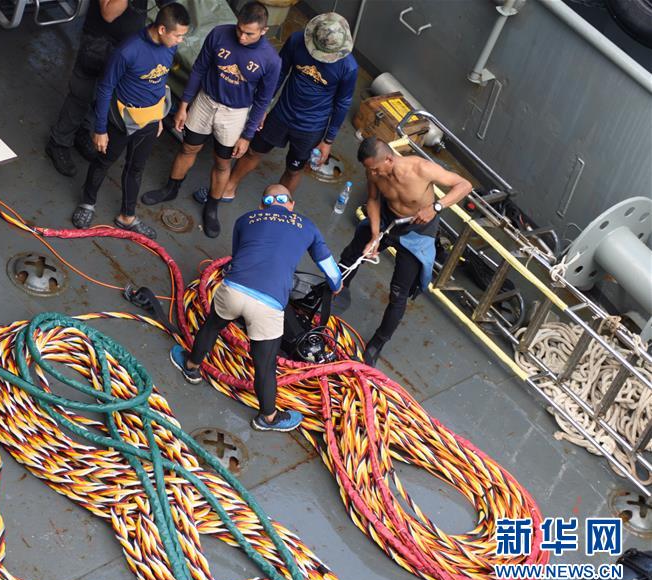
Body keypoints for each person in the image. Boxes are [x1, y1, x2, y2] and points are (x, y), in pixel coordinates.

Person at [169, 184, 343, 432]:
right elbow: (329, 269)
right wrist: (336, 285)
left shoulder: (245, 219)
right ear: (291, 205)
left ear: (262, 205)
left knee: (212, 326)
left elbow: (236, 257)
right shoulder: (307, 225)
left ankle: (192, 367)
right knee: (265, 362)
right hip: (268, 305)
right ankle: (268, 417)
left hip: (234, 290)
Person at [140, 1, 281, 238]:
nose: (242, 36)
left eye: (249, 33)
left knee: (222, 162)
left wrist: (247, 136)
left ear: (263, 31)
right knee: (188, 147)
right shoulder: (219, 34)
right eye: (239, 29)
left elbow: (263, 100)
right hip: (206, 100)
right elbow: (199, 69)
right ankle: (171, 188)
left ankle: (212, 206)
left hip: (235, 112)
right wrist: (184, 105)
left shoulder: (271, 60)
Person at [339, 137, 472, 366]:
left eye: (375, 168)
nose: (372, 173)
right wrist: (373, 235)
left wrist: (436, 207)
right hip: (388, 220)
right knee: (353, 254)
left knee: (399, 293)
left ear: (389, 159)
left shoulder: (421, 168)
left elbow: (464, 185)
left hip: (417, 232)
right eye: (369, 169)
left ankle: (378, 342)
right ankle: (338, 290)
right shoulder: (374, 172)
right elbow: (372, 200)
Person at [202, 12, 357, 202]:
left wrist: (328, 140)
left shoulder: (348, 67)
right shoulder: (297, 40)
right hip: (281, 113)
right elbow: (279, 73)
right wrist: (263, 109)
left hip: (311, 126)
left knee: (294, 169)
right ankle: (229, 186)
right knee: (253, 151)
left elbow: (342, 103)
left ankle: (280, 205)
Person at [71, 3, 191, 240]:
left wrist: (158, 118)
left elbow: (160, 81)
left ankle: (127, 216)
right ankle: (87, 204)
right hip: (122, 120)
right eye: (178, 35)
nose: (181, 40)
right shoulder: (128, 50)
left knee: (136, 167)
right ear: (162, 30)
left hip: (149, 119)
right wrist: (100, 128)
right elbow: (105, 88)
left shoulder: (169, 47)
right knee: (103, 162)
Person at [46, 0, 155, 177]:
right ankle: (59, 142)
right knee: (82, 94)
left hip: (125, 45)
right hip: (98, 41)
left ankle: (81, 132)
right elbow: (109, 13)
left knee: (101, 96)